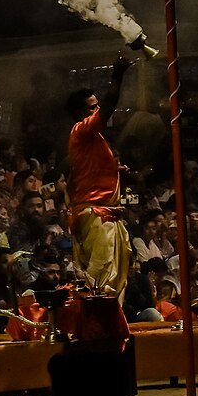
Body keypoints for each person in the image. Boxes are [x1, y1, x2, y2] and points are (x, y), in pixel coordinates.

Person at [65, 55, 133, 301]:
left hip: (102, 213)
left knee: (112, 283)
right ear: (79, 113)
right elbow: (110, 104)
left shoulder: (93, 139)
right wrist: (117, 75)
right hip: (96, 216)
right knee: (101, 283)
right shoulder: (81, 130)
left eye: (97, 105)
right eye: (92, 107)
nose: (98, 110)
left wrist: (115, 172)